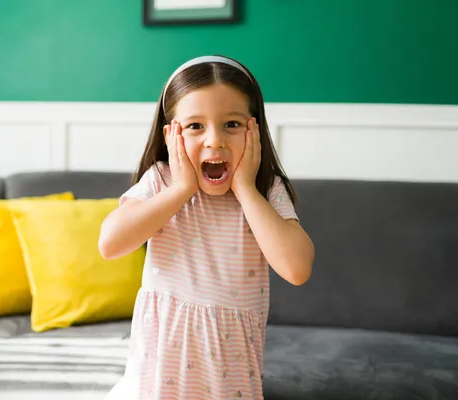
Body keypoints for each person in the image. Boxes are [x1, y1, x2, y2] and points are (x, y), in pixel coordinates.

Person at [98, 55, 315, 399]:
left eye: (231, 124)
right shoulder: (162, 182)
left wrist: (245, 189)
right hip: (155, 385)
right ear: (171, 135)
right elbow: (110, 244)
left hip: (228, 387)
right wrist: (181, 189)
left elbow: (297, 268)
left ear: (254, 129)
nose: (215, 140)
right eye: (196, 126)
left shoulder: (264, 190)